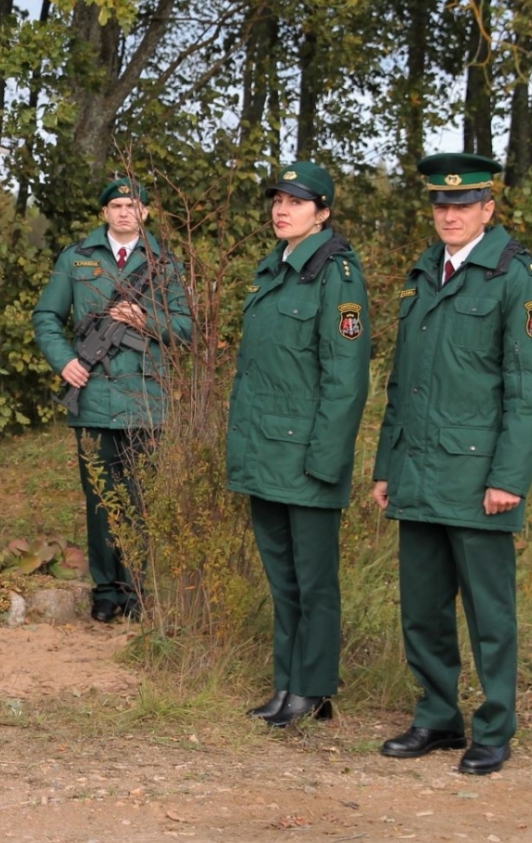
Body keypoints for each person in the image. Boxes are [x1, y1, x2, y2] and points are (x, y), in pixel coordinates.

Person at [372, 152, 532, 775]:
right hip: (418, 472)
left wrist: (510, 477)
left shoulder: (515, 278)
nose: (449, 215)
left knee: (489, 613)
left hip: (480, 478)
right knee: (422, 607)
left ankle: (495, 726)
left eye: (463, 205)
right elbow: (403, 386)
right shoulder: (424, 273)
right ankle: (437, 717)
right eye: (441, 205)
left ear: (488, 209)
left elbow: (531, 391)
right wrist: (385, 466)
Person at [226, 162, 370, 727]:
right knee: (282, 579)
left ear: (324, 213)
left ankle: (314, 688)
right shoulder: (272, 271)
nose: (281, 209)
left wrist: (327, 459)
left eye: (297, 202)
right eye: (277, 200)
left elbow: (346, 377)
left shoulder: (339, 276)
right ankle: (287, 685)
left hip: (308, 457)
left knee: (314, 581)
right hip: (264, 453)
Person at [33, 177, 193, 623]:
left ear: (145, 213)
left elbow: (188, 327)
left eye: (133, 205)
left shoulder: (164, 263)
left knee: (141, 498)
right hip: (95, 398)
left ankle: (138, 590)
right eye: (117, 205)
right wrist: (64, 361)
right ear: (105, 212)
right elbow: (47, 316)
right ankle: (106, 591)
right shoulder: (77, 258)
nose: (125, 212)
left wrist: (147, 319)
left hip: (146, 400)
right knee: (101, 499)